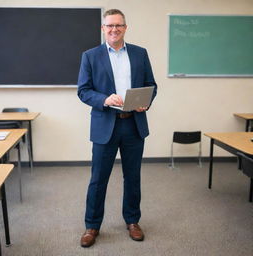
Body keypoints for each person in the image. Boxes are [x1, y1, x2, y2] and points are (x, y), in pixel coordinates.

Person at [77, 9, 157, 248]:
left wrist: (146, 101)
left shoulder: (140, 54)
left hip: (134, 125)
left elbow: (151, 85)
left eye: (118, 25)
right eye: (110, 26)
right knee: (98, 179)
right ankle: (92, 225)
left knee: (132, 177)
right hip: (105, 126)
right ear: (103, 29)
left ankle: (132, 221)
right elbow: (83, 90)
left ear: (125, 27)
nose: (114, 29)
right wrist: (104, 99)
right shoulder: (90, 56)